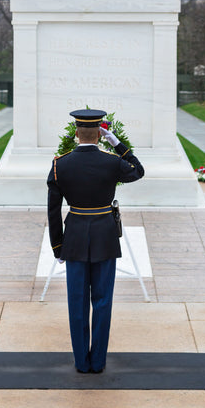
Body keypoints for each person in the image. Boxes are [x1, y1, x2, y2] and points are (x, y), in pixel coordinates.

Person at [47, 109, 144, 373]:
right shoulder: (112, 162)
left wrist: (58, 245)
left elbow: (53, 211)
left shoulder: (60, 164)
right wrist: (118, 144)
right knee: (102, 302)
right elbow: (138, 171)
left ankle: (81, 362)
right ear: (101, 135)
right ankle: (98, 362)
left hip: (75, 238)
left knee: (77, 302)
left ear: (76, 133)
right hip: (105, 236)